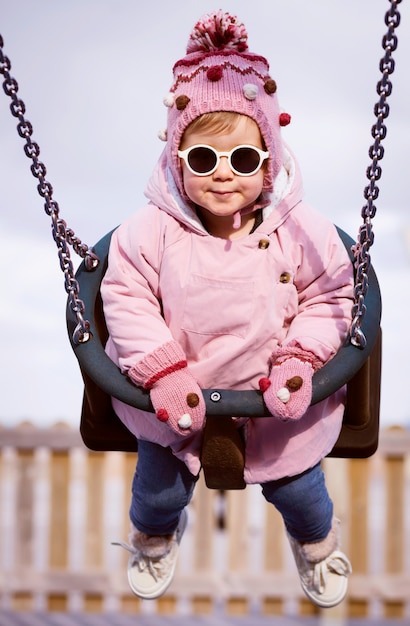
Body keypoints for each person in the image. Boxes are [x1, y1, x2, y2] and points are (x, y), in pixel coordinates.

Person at [101, 10, 353, 608]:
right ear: (176, 159)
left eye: (241, 160)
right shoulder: (151, 230)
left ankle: (315, 544)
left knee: (301, 491)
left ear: (266, 162)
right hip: (169, 398)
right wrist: (159, 368)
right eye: (202, 160)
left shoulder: (300, 229)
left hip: (275, 402)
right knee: (157, 492)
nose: (222, 176)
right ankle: (156, 537)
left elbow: (332, 295)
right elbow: (125, 297)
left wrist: (301, 359)